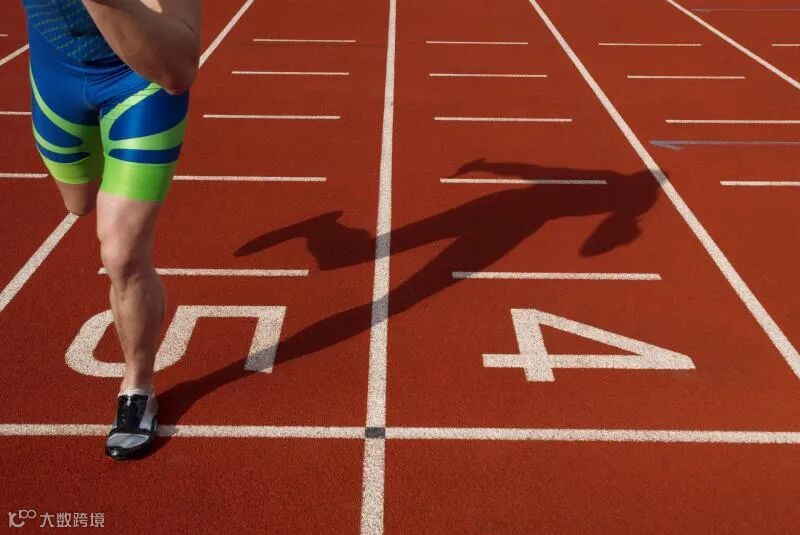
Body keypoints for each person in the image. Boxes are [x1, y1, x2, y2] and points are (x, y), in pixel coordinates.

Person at [21, 0, 202, 459]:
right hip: (56, 79)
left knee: (122, 253)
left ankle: (137, 386)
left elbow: (179, 69)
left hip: (138, 85)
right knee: (78, 204)